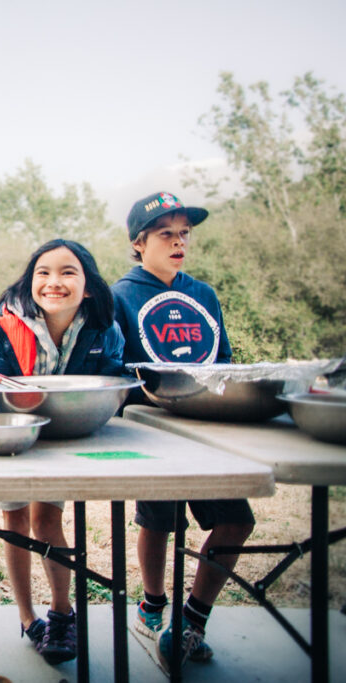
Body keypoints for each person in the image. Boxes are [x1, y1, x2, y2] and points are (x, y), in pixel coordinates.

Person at [111, 191, 255, 675]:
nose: (179, 243)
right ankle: (151, 608)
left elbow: (223, 364)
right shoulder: (120, 295)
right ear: (139, 242)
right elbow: (113, 365)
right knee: (159, 520)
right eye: (166, 234)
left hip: (204, 429)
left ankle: (192, 620)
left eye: (184, 234)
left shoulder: (203, 294)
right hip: (150, 430)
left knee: (236, 520)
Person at [0, 239, 124, 666]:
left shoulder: (102, 329)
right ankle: (27, 618)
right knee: (15, 521)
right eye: (43, 272)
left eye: (67, 272)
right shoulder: (7, 327)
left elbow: (111, 384)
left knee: (47, 519)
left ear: (88, 286)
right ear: (31, 281)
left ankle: (62, 613)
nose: (53, 282)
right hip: (11, 437)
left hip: (64, 440)